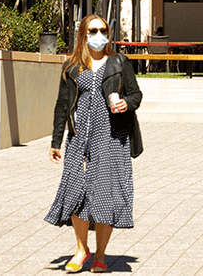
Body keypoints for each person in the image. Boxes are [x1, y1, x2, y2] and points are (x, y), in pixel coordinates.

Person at [45, 15, 143, 273]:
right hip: (79, 139)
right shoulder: (72, 67)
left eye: (103, 30)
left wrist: (126, 104)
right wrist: (56, 140)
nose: (99, 35)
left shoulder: (119, 63)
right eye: (93, 30)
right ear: (83, 35)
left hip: (111, 139)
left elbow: (136, 94)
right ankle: (81, 249)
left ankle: (99, 255)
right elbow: (62, 106)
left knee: (104, 196)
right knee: (75, 191)